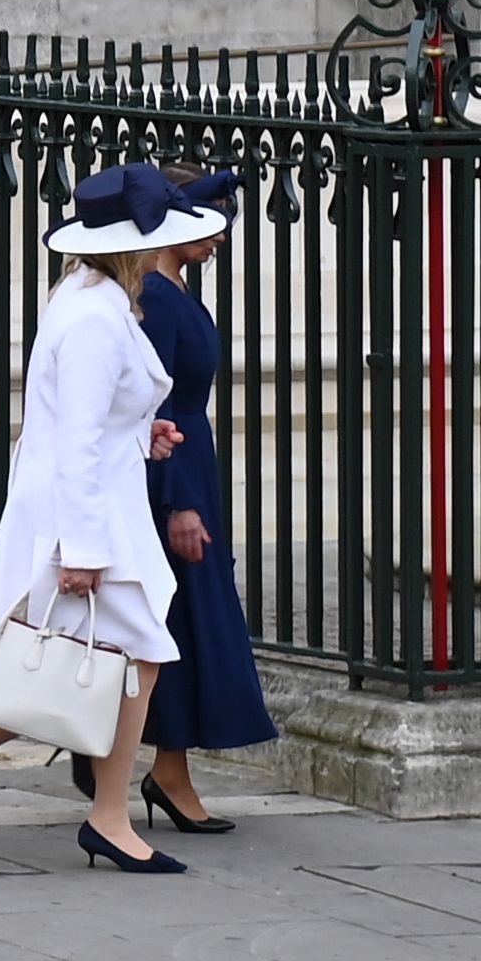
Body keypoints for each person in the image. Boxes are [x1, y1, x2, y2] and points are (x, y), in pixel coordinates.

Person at [0, 164, 201, 873]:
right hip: (88, 517)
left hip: (98, 507)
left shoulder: (89, 296)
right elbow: (73, 438)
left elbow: (91, 422)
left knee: (83, 659)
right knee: (131, 658)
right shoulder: (94, 314)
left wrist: (143, 436)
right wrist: (83, 549)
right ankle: (105, 816)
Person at [128, 165, 272, 829]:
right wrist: (177, 501)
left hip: (191, 465)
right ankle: (156, 766)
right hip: (170, 471)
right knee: (179, 622)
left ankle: (164, 765)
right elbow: (147, 403)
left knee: (182, 622)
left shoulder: (175, 285)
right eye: (211, 221)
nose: (222, 236)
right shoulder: (154, 295)